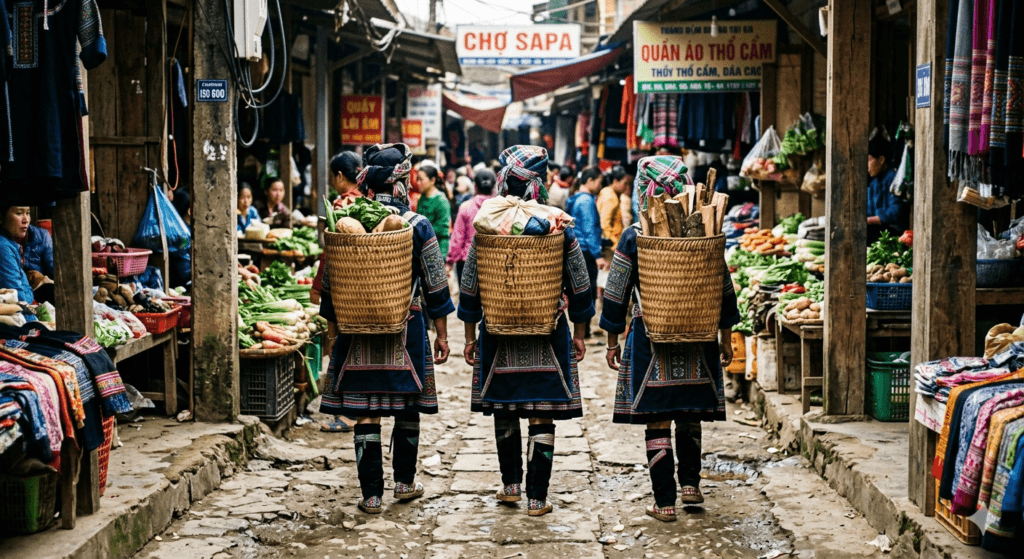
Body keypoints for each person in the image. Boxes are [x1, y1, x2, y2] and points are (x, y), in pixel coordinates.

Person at [600, 156, 739, 523]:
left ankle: (665, 502)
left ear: (642, 190)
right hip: (699, 338)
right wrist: (726, 338)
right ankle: (690, 486)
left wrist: (612, 340)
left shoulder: (635, 235)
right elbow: (724, 289)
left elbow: (616, 292)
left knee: (657, 420)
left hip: (651, 339)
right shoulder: (706, 230)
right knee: (690, 413)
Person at [458, 145, 595, 517]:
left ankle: (510, 486)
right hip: (548, 334)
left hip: (498, 333)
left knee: (505, 409)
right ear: (540, 183)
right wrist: (580, 332)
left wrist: (469, 337)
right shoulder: (557, 226)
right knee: (541, 414)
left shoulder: (487, 226)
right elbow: (580, 285)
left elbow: (469, 286)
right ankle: (537, 499)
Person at [318, 143, 454, 514]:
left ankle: (371, 495)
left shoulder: (348, 221)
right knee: (407, 407)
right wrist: (442, 335)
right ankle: (405, 483)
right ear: (401, 184)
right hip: (405, 327)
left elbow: (330, 284)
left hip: (356, 329)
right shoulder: (417, 224)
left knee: (366, 410)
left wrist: (332, 334)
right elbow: (436, 283)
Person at [566, 166, 605, 339]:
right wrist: (597, 255)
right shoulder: (586, 201)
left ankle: (582, 331)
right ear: (590, 181)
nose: (600, 186)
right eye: (599, 182)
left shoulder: (576, 198)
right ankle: (584, 332)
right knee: (587, 292)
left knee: (580, 290)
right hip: (586, 252)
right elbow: (589, 230)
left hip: (577, 250)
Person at [447, 169, 495, 284]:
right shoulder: (501, 208)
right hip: (494, 263)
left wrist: (450, 261)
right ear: (494, 187)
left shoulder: (466, 207)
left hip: (467, 262)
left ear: (475, 186)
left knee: (467, 295)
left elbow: (458, 238)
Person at [0, 205, 40, 320]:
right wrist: (29, 291)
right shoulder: (3, 247)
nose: (25, 220)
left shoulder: (10, 243)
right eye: (19, 213)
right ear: (1, 217)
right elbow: (20, 297)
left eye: (28, 213)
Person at [596, 166, 629, 302]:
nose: (626, 186)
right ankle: (605, 306)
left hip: (608, 242)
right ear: (615, 181)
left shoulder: (606, 192)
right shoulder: (610, 197)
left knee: (604, 277)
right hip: (610, 244)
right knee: (606, 279)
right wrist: (615, 244)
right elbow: (605, 223)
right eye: (624, 183)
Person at [866, 135, 908, 241]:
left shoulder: (894, 179)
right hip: (877, 229)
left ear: (881, 160)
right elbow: (869, 210)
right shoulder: (873, 183)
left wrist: (869, 220)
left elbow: (896, 212)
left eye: (869, 160)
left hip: (893, 231)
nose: (867, 166)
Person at [416, 165, 452, 262]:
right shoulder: (422, 198)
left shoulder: (441, 200)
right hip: (422, 249)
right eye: (417, 179)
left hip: (437, 249)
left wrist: (442, 257)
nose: (418, 183)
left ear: (432, 180)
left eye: (421, 180)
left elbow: (443, 231)